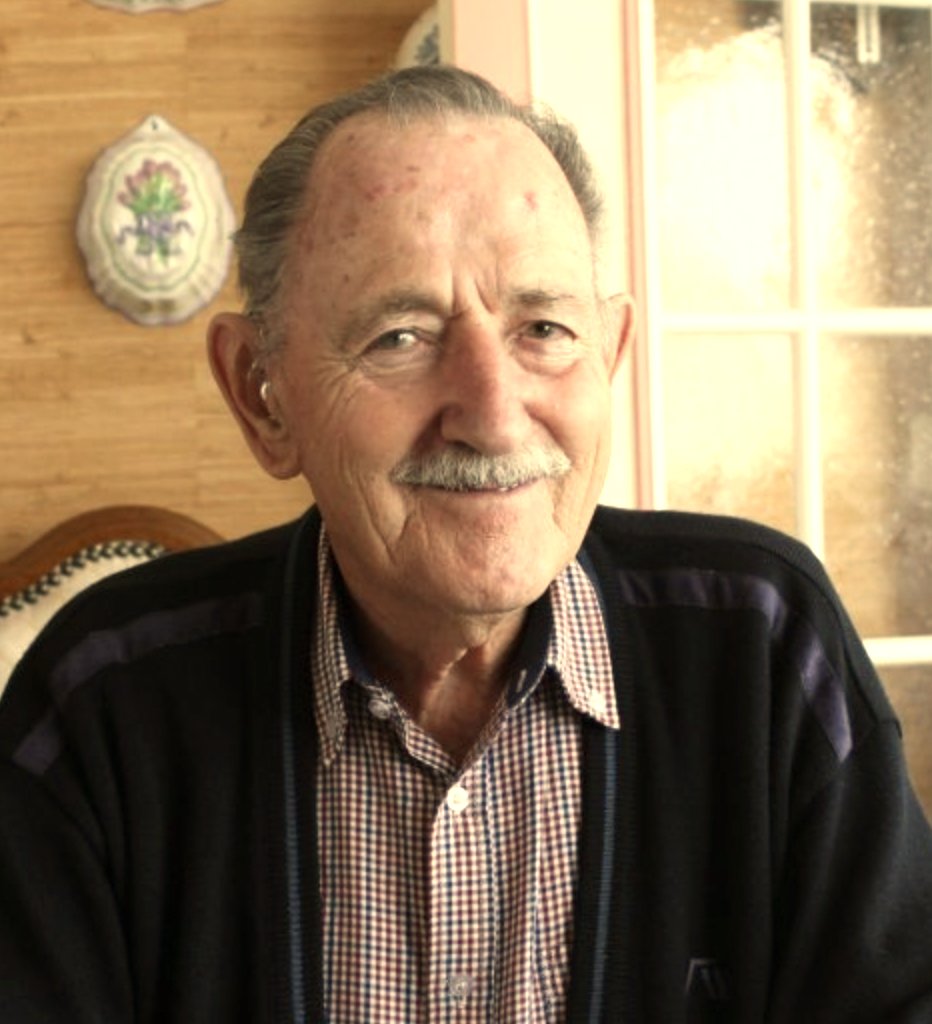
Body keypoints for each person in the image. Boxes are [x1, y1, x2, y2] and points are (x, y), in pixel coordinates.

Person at [1, 65, 931, 1024]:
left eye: (545, 328)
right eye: (399, 337)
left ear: (609, 356)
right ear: (261, 395)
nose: (493, 415)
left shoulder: (766, 647)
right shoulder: (98, 702)